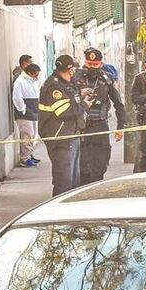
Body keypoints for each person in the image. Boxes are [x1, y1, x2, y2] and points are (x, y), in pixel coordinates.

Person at [74, 48, 127, 184]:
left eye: (95, 65)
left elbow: (119, 104)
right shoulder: (75, 78)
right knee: (83, 166)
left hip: (100, 125)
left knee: (100, 164)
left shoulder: (106, 79)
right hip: (81, 127)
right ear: (84, 62)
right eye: (89, 64)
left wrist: (120, 127)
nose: (92, 67)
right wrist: (81, 95)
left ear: (101, 64)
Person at [38, 54, 86, 197]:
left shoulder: (66, 84)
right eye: (72, 70)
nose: (74, 73)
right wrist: (85, 105)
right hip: (60, 139)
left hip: (71, 136)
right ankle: (58, 214)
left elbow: (71, 101)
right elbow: (63, 111)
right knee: (63, 182)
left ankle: (71, 213)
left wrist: (81, 95)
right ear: (68, 69)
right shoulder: (54, 86)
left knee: (74, 182)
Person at [12, 63, 42, 168]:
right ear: (29, 73)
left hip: (33, 111)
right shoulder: (20, 81)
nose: (37, 77)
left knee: (32, 134)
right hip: (24, 113)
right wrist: (23, 109)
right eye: (35, 74)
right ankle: (25, 158)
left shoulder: (32, 82)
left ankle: (29, 154)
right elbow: (16, 97)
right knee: (27, 134)